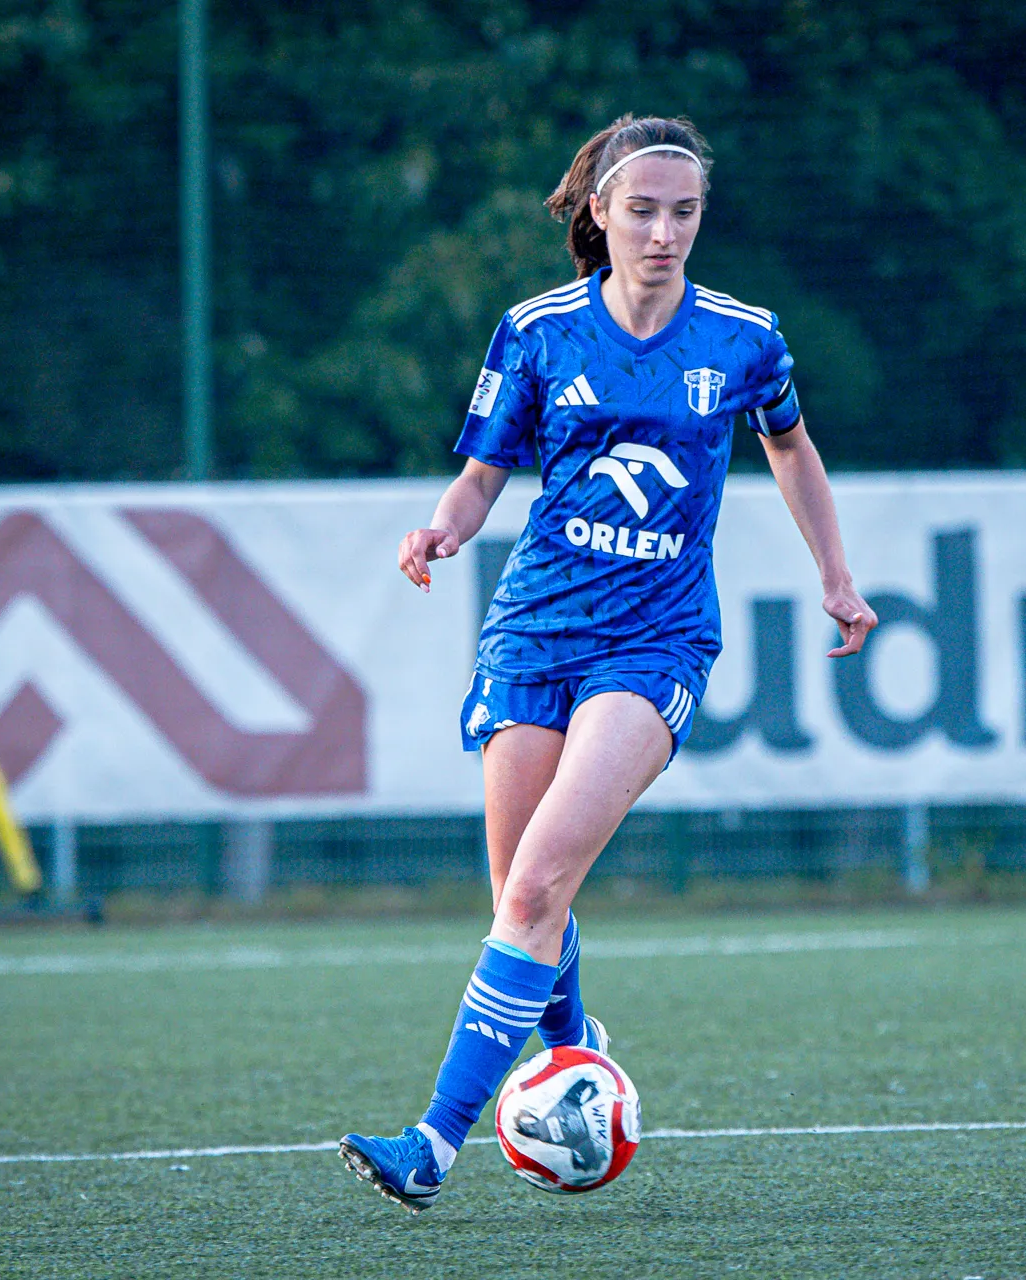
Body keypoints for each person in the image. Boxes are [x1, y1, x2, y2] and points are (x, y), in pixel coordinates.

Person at [338, 114, 876, 1213]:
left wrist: (835, 573)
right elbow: (483, 474)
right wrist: (443, 528)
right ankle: (575, 1045)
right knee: (520, 896)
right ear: (599, 211)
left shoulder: (744, 338)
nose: (665, 232)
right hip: (533, 630)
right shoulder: (537, 331)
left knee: (539, 883)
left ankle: (433, 1144)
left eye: (685, 212)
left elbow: (790, 445)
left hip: (655, 638)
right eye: (643, 211)